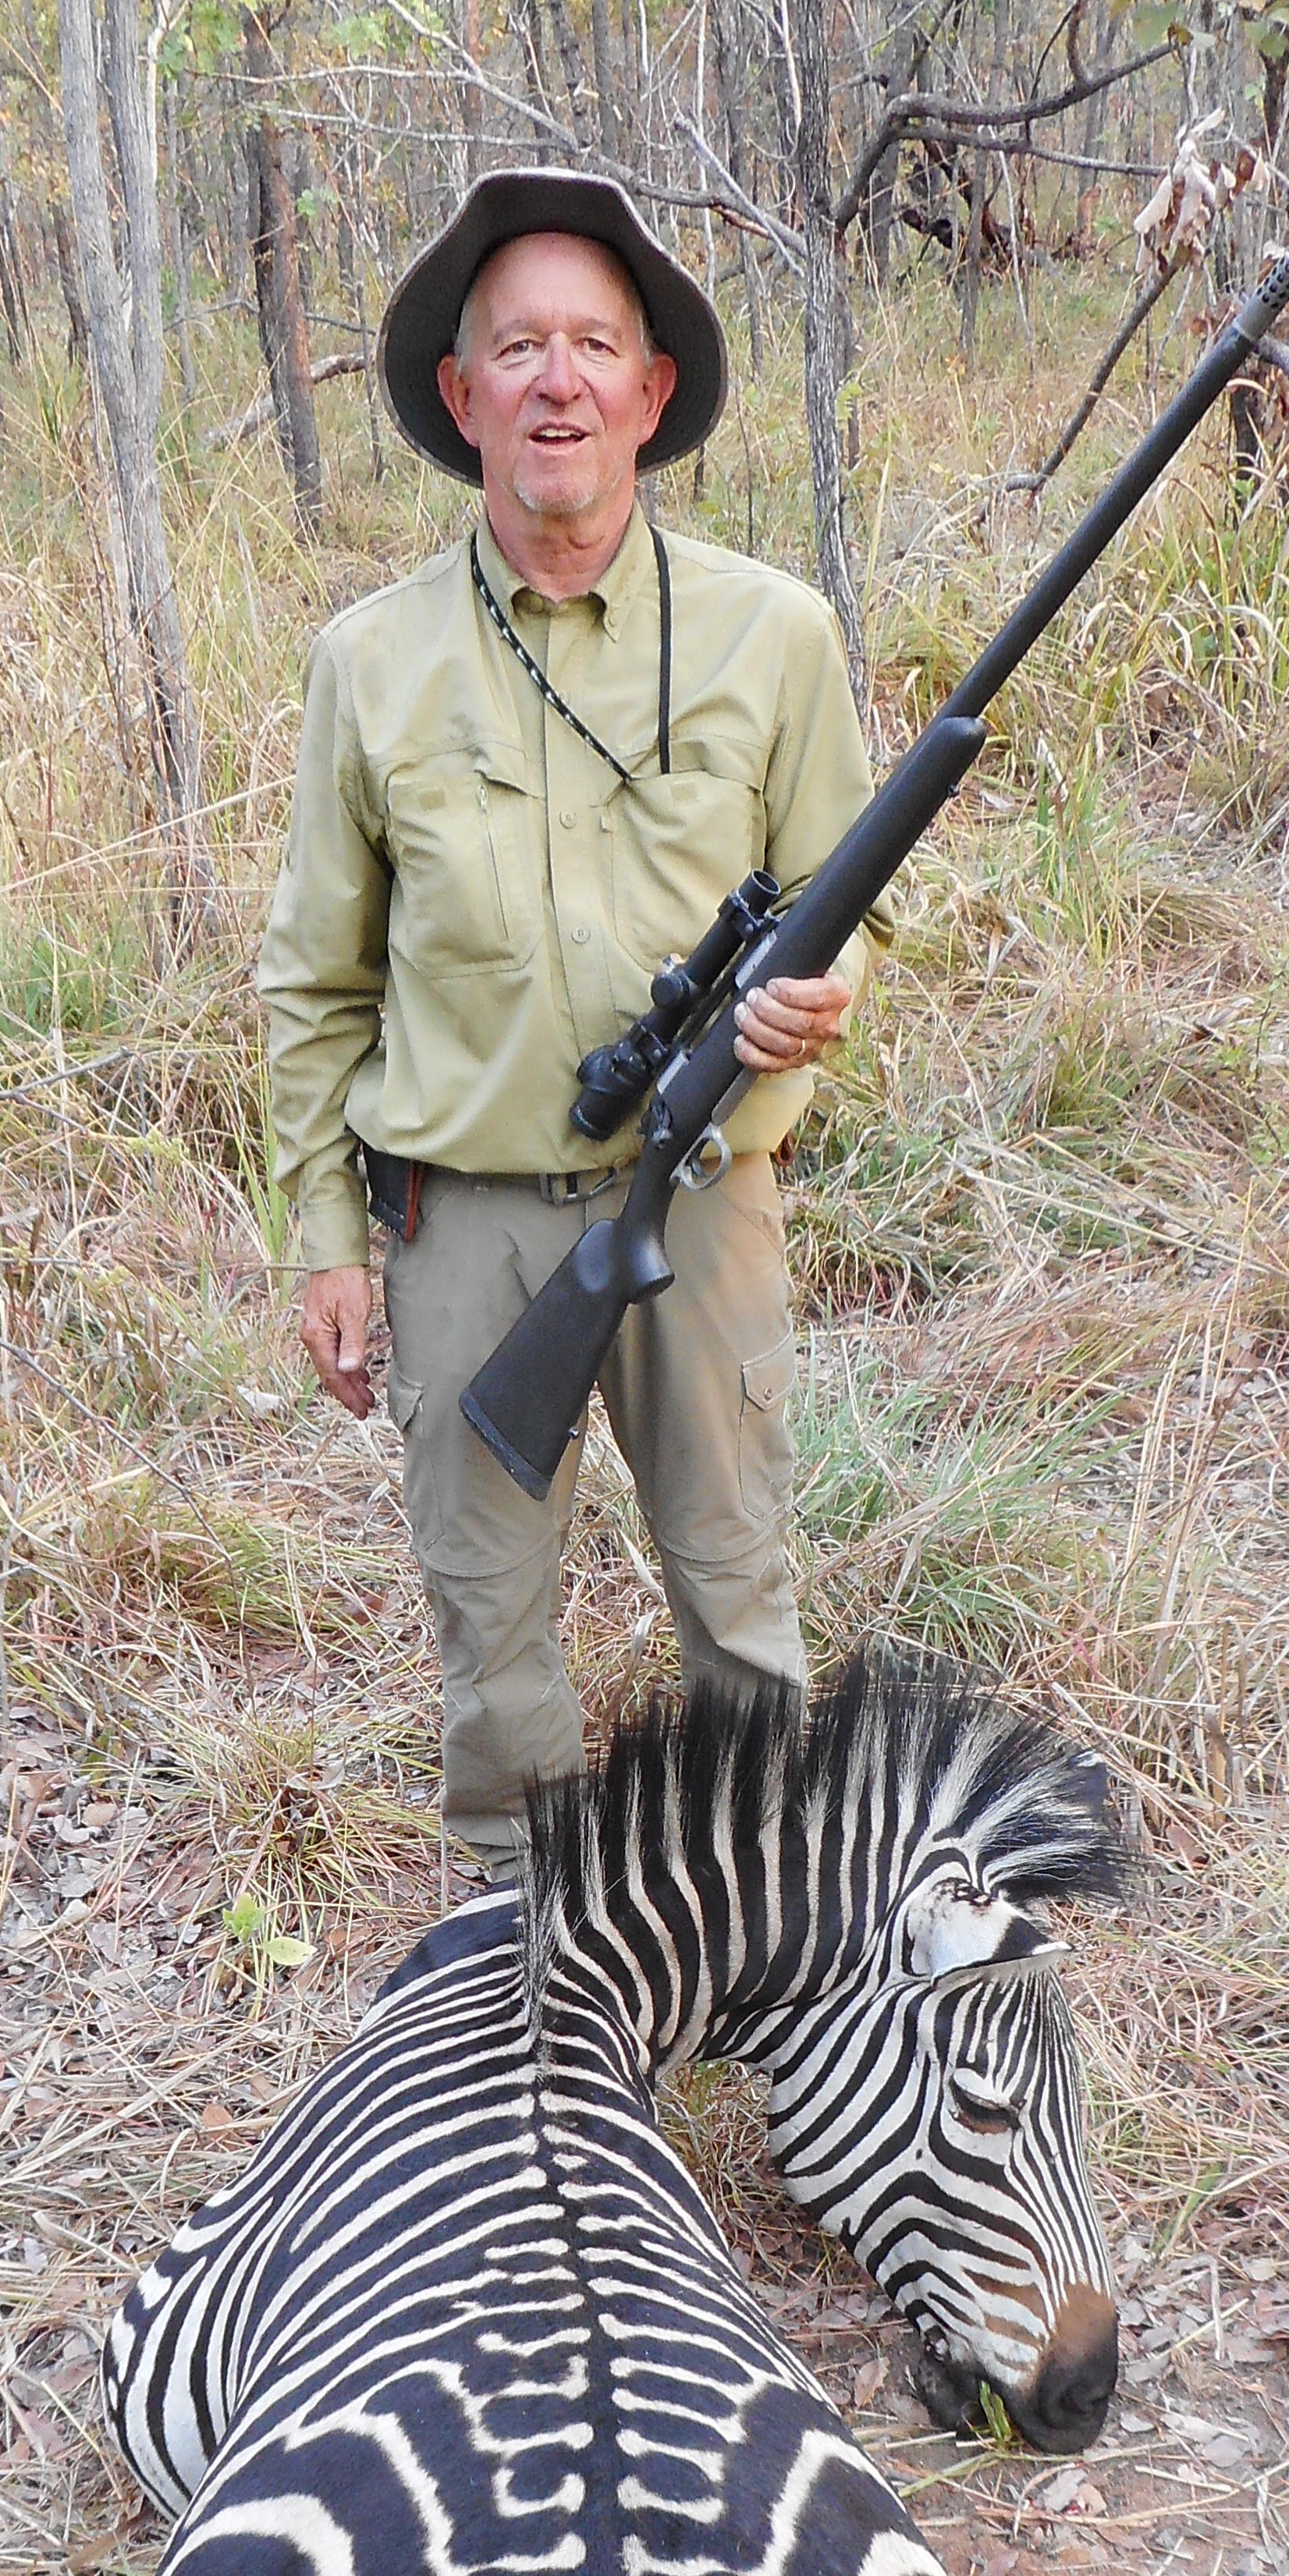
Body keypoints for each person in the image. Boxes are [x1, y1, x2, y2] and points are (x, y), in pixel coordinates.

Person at [260, 169, 875, 1871]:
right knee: (495, 1666)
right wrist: (325, 1236)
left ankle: (780, 1982)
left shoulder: (778, 636)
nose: (558, 381)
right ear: (460, 399)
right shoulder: (368, 664)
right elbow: (315, 984)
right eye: (516, 346)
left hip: (705, 1207)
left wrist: (818, 1009)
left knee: (744, 1620)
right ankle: (515, 2019)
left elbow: (849, 902)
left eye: (594, 344)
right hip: (462, 1234)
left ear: (652, 388)